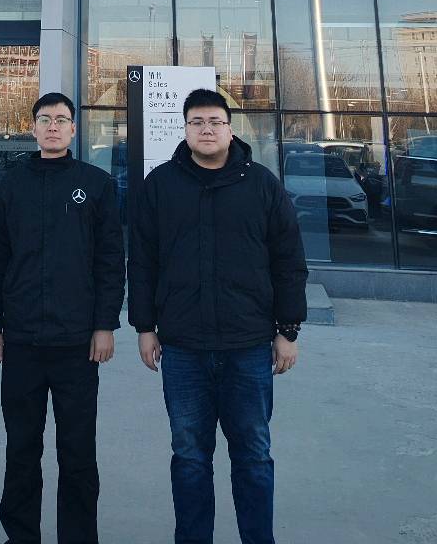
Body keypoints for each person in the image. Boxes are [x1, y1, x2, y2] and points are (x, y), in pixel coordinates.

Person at [128, 87, 308, 544]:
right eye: (197, 122)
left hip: (247, 346)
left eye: (215, 122)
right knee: (189, 457)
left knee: (253, 456)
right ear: (185, 129)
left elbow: (288, 261)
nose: (206, 130)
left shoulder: (261, 184)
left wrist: (288, 330)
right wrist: (145, 327)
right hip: (183, 348)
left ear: (230, 130)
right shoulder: (161, 185)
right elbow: (143, 262)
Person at [0, 91, 126, 544]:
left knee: (77, 453)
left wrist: (104, 325)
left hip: (77, 343)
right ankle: (20, 535)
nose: (54, 126)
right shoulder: (10, 185)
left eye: (62, 119)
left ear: (74, 129)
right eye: (45, 119)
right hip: (21, 340)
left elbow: (109, 262)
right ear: (33, 128)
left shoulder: (96, 185)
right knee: (22, 449)